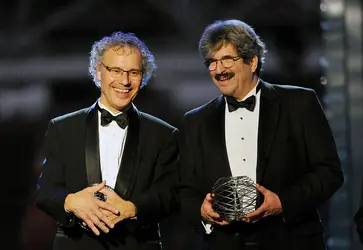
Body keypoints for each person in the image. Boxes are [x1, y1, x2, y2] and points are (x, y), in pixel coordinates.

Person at [178, 19, 344, 250]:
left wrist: (283, 202)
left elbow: (329, 173)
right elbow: (184, 190)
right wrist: (201, 209)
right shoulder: (195, 121)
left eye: (227, 59)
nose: (218, 70)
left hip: (290, 241)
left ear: (252, 61)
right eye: (212, 62)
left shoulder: (298, 104)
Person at [36, 31, 179, 250]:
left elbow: (170, 194)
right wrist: (71, 201)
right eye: (116, 70)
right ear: (98, 71)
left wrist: (132, 208)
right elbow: (45, 192)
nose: (125, 81)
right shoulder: (63, 128)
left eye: (133, 72)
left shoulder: (163, 134)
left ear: (144, 76)